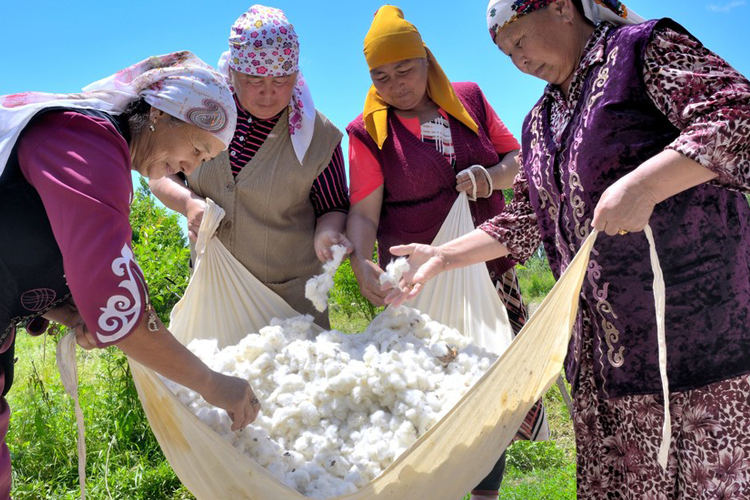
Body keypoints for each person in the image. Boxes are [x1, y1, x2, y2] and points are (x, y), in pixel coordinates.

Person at [386, 0, 750, 497]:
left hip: (697, 347)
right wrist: (444, 256)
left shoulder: (640, 53)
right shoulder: (540, 121)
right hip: (605, 363)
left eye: (519, 41)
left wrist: (644, 186)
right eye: (505, 52)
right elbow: (529, 217)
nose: (517, 59)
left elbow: (736, 114)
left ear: (561, 8)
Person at [0, 51, 263, 497]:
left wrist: (70, 312)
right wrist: (215, 386)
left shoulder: (98, 151)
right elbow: (123, 315)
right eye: (197, 149)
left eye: (206, 158)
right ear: (160, 113)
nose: (191, 167)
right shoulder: (85, 144)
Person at [345, 7, 548, 499]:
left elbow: (518, 159)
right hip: (418, 281)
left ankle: (484, 494)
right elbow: (365, 214)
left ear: (426, 60)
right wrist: (360, 262)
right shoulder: (368, 132)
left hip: (486, 264)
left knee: (488, 384)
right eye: (381, 76)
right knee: (427, 392)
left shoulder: (469, 100)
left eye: (405, 69)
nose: (395, 85)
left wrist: (490, 178)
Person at [150, 5, 351, 328]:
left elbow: (334, 206)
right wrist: (188, 203)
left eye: (281, 80)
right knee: (213, 377)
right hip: (213, 296)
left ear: (296, 75)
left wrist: (328, 232)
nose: (269, 93)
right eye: (254, 79)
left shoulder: (319, 137)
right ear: (232, 72)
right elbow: (159, 172)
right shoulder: (198, 115)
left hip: (289, 308)